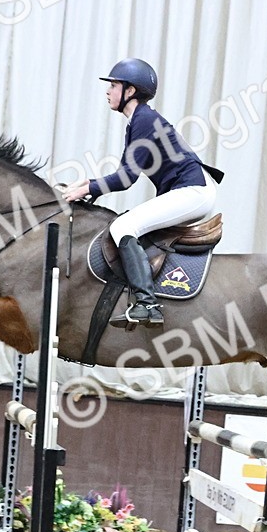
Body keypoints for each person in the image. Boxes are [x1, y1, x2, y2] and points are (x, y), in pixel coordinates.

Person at [62, 58, 224, 329]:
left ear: (130, 91)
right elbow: (124, 173)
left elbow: (125, 179)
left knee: (124, 226)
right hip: (190, 190)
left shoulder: (144, 120)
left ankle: (147, 303)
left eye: (113, 85)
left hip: (193, 191)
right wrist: (89, 184)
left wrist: (86, 188)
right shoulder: (139, 121)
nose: (108, 91)